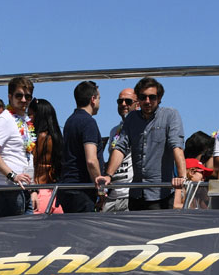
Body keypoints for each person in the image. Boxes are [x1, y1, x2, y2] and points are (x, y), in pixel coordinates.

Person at [99, 77, 186, 210]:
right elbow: (120, 147)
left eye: (152, 97)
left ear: (160, 98)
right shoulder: (132, 119)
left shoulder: (170, 115)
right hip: (136, 194)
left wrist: (181, 176)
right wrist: (108, 175)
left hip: (160, 195)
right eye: (143, 97)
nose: (147, 101)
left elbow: (177, 145)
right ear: (138, 99)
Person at [0, 79, 35, 217]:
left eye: (27, 96)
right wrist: (12, 175)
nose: (24, 100)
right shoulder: (4, 119)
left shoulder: (24, 120)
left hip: (23, 187)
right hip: (7, 189)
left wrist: (33, 189)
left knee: (29, 235)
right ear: (10, 96)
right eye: (19, 96)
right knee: (16, 235)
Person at [59, 81, 103, 214]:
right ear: (93, 99)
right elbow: (91, 160)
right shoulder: (88, 122)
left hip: (67, 187)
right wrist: (101, 190)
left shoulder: (70, 121)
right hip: (82, 189)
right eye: (99, 98)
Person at [101, 88, 136, 213]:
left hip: (129, 194)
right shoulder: (114, 130)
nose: (123, 104)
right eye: (120, 101)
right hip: (112, 194)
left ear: (137, 104)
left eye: (128, 101)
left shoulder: (142, 128)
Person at [28, 98, 65, 214]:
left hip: (39, 195)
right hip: (56, 196)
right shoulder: (57, 139)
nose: (28, 119)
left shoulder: (37, 139)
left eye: (30, 115)